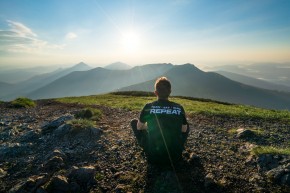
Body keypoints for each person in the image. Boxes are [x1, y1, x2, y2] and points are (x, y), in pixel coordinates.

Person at [131, 77, 189, 165]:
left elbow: (139, 127)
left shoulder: (148, 107)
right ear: (170, 92)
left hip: (153, 157)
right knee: (187, 126)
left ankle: (147, 146)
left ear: (155, 93)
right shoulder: (179, 107)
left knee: (134, 123)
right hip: (175, 157)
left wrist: (150, 126)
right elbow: (184, 130)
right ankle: (177, 147)